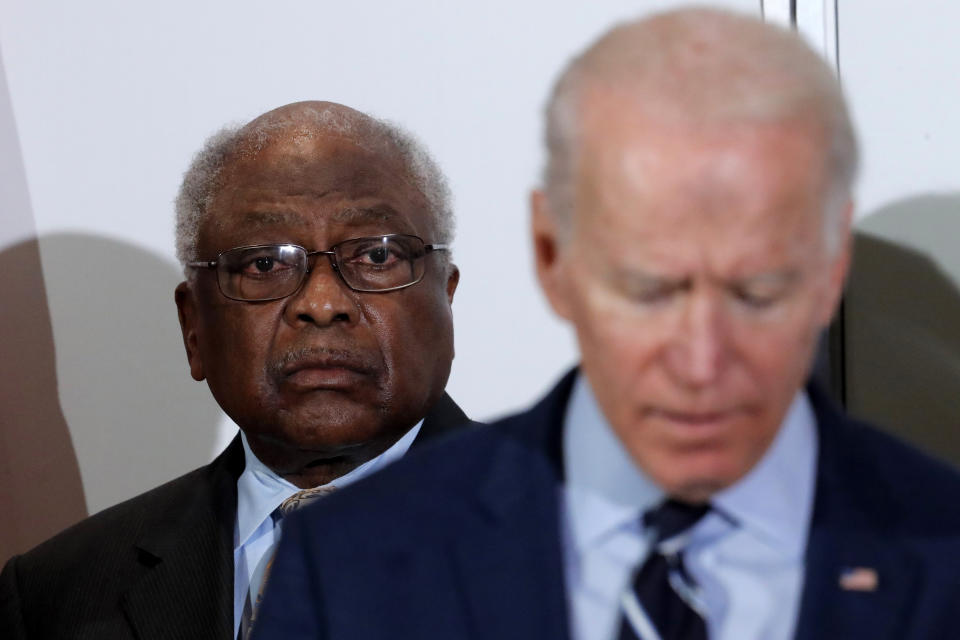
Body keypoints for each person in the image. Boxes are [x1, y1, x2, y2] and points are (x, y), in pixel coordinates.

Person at [252, 9, 960, 640]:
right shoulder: (351, 562)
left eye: (758, 291)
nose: (702, 360)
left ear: (831, 267)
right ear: (552, 255)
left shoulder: (945, 549)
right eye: (648, 289)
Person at [0, 101, 477, 639]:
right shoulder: (55, 593)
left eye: (376, 256)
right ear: (194, 329)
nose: (321, 303)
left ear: (446, 298)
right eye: (264, 263)